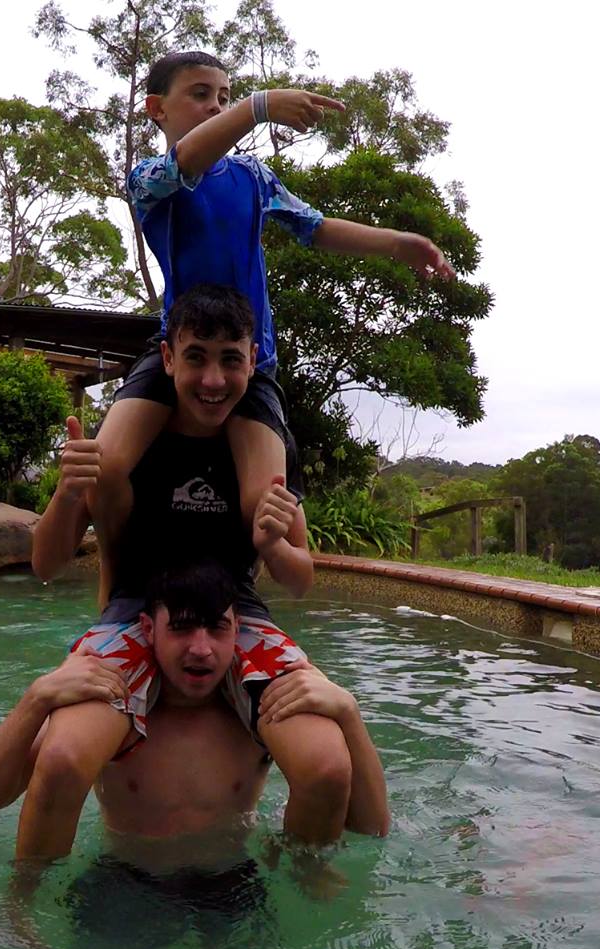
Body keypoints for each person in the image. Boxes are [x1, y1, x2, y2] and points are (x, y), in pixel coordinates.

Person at [20, 286, 358, 861]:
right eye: (196, 356)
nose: (213, 379)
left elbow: (301, 582)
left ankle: (298, 881)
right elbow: (46, 565)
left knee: (326, 766)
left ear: (253, 361)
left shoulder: (263, 454)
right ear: (168, 357)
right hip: (136, 608)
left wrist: (274, 543)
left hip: (235, 613)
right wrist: (65, 494)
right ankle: (21, 902)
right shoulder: (127, 451)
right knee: (58, 758)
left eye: (231, 360)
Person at [0, 561, 387, 949]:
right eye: (181, 629)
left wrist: (349, 711)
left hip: (231, 881)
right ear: (149, 629)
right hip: (125, 881)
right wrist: (38, 697)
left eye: (216, 629)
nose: (201, 649)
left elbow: (373, 827)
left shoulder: (260, 707)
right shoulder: (113, 707)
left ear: (237, 629)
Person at [94, 49, 457, 572]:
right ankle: (114, 587)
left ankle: (243, 603)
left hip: (251, 366)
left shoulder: (253, 178)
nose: (216, 107)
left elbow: (315, 227)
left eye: (222, 96)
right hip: (176, 355)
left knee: (263, 508)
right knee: (106, 470)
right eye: (200, 95)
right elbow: (187, 162)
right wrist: (257, 106)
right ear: (156, 109)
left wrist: (398, 244)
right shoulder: (148, 178)